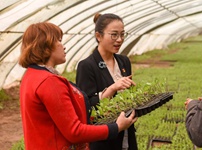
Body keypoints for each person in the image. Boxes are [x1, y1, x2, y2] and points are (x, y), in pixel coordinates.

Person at [19, 22, 137, 150]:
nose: (64, 47)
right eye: (59, 41)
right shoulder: (49, 82)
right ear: (45, 46)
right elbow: (75, 131)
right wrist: (116, 127)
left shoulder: (32, 75)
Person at [76, 13, 137, 150]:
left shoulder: (123, 61)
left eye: (122, 34)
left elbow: (128, 97)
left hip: (126, 131)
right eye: (114, 35)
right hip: (103, 139)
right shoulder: (87, 66)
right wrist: (112, 88)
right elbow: (86, 107)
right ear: (99, 36)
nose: (119, 40)